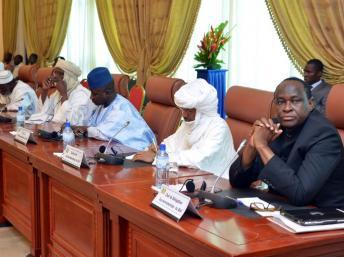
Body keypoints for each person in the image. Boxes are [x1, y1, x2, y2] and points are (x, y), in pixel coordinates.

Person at [229, 77, 344, 208]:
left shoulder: (324, 135)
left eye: (295, 101)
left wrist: (262, 146)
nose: (287, 108)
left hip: (325, 216)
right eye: (280, 102)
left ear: (311, 104)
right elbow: (237, 181)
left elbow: (300, 194)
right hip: (280, 206)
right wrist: (252, 144)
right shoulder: (274, 127)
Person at [133, 78, 236, 177]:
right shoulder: (191, 121)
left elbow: (198, 159)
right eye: (183, 110)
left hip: (218, 182)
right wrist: (158, 150)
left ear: (202, 111)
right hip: (190, 176)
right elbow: (174, 142)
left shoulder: (219, 128)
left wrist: (158, 158)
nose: (185, 115)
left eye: (189, 111)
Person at [72, 67, 153, 151]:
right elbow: (91, 125)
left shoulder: (121, 108)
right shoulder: (102, 105)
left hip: (138, 152)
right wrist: (77, 129)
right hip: (117, 149)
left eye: (94, 94)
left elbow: (101, 133)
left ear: (107, 92)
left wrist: (79, 128)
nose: (91, 97)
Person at [28, 59, 93, 125]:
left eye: (61, 74)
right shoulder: (57, 93)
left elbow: (73, 122)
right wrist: (45, 90)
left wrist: (64, 95)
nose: (56, 77)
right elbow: (44, 112)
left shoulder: (81, 94)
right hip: (54, 130)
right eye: (55, 73)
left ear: (69, 77)